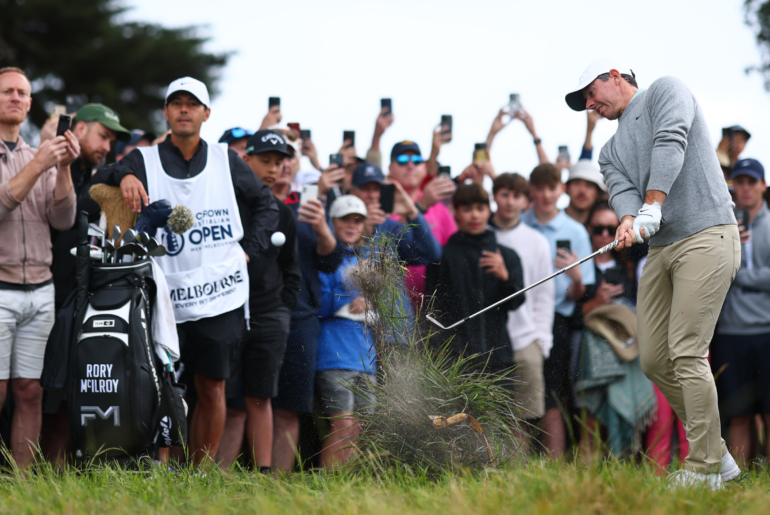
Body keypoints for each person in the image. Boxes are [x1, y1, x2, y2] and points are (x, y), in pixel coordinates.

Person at [568, 58, 740, 488]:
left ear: (613, 74)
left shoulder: (666, 89)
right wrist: (628, 220)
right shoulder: (609, 150)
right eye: (583, 102)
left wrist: (653, 203)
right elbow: (620, 189)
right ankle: (719, 455)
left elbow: (670, 141)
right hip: (663, 248)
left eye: (590, 93)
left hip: (707, 233)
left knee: (685, 351)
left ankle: (702, 468)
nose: (589, 104)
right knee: (653, 359)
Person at [92, 76, 279, 466]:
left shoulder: (227, 158)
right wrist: (123, 175)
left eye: (191, 104)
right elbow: (95, 182)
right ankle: (161, 468)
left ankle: (200, 473)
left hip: (219, 292)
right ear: (165, 112)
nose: (183, 109)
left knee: (211, 387)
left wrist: (248, 251)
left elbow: (267, 206)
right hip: (164, 297)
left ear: (205, 113)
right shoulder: (143, 158)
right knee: (161, 388)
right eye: (175, 103)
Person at [0, 66, 80, 468]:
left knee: (30, 390)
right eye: (7, 91)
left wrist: (63, 167)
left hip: (41, 292)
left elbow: (63, 219)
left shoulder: (40, 155)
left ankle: (23, 483)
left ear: (30, 103)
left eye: (22, 93)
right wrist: (39, 165)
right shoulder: (35, 159)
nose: (15, 97)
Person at [43, 103, 131, 465]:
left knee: (65, 395)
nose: (107, 145)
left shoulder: (100, 177)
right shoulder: (50, 164)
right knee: (34, 391)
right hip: (42, 289)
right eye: (103, 135)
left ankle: (54, 474)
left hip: (78, 297)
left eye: (112, 140)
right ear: (78, 129)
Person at [217, 130, 301, 471]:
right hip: (225, 310)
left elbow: (291, 272)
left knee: (259, 397)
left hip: (268, 316)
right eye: (265, 160)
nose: (272, 169)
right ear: (245, 160)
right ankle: (210, 472)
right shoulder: (224, 207)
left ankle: (263, 474)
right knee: (218, 394)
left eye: (279, 163)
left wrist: (282, 311)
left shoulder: (283, 214)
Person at [269, 149, 344, 473]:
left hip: (300, 318)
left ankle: (275, 483)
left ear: (296, 165)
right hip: (254, 313)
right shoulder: (247, 201)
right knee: (247, 405)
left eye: (288, 158)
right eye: (274, 158)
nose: (283, 165)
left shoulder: (308, 202)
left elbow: (329, 260)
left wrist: (323, 230)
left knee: (288, 409)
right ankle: (236, 479)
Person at [521, 163, 595, 458]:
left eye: (551, 188)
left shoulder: (575, 231)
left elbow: (580, 293)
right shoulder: (520, 224)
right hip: (519, 318)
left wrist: (575, 277)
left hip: (557, 320)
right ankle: (518, 468)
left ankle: (553, 467)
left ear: (561, 190)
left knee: (553, 395)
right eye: (539, 188)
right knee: (519, 393)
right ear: (531, 191)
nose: (545, 195)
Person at [426, 183, 525, 376]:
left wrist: (505, 277)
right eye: (467, 209)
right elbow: (431, 310)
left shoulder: (506, 255)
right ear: (456, 212)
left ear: (489, 211)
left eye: (480, 208)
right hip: (455, 363)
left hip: (498, 360)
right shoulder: (441, 257)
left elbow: (516, 303)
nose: (474, 216)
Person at [711, 158, 770, 465]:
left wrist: (741, 275)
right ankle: (740, 484)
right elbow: (711, 275)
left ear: (762, 185)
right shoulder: (722, 226)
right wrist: (729, 247)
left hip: (766, 332)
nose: (745, 189)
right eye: (740, 183)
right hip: (730, 333)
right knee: (738, 416)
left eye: (751, 182)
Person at [488, 173, 554, 446]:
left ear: (526, 202)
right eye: (504, 194)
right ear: (494, 197)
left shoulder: (536, 241)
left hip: (526, 339)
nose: (510, 202)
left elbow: (544, 295)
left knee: (524, 417)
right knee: (490, 413)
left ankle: (518, 475)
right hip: (489, 340)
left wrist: (541, 340)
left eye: (516, 196)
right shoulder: (482, 236)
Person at [316, 195, 376, 469]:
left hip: (365, 356)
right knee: (343, 425)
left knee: (362, 426)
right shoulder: (325, 257)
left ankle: (346, 485)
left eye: (357, 220)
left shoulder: (367, 259)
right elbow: (316, 303)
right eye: (344, 219)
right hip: (334, 354)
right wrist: (347, 299)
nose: (351, 225)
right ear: (332, 221)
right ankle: (330, 485)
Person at [387, 141, 456, 305]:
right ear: (390, 169)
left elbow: (453, 255)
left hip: (434, 306)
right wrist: (421, 207)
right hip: (392, 308)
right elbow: (386, 241)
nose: (410, 165)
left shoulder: (440, 209)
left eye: (417, 160)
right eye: (402, 160)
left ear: (424, 168)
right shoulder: (380, 206)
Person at [564, 160, 607, 225]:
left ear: (598, 193)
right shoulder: (548, 219)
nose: (582, 190)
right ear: (566, 188)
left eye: (589, 185)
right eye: (577, 183)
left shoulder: (603, 232)